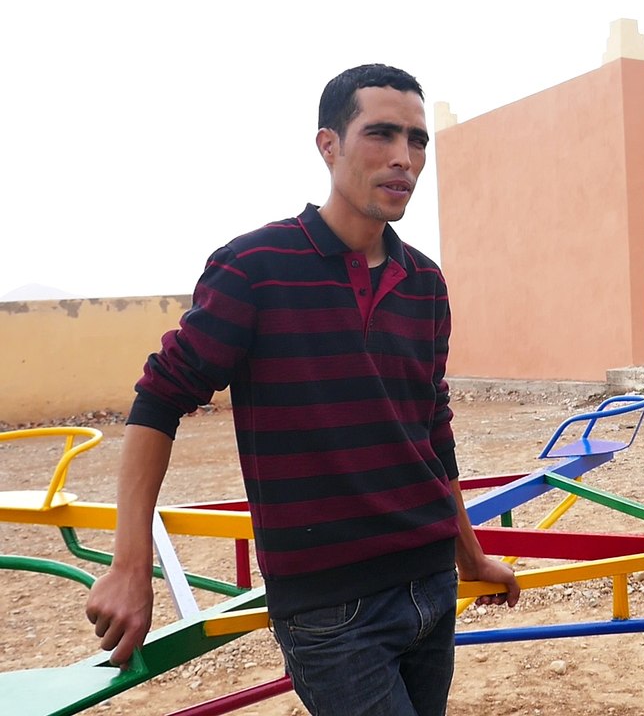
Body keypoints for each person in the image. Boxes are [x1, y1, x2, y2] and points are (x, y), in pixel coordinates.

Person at [84, 63, 520, 716]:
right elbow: (159, 400)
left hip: (430, 587)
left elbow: (431, 428)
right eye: (381, 134)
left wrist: (470, 556)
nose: (404, 158)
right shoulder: (256, 269)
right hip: (331, 608)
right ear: (329, 145)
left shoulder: (425, 280)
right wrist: (129, 563)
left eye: (418, 140)